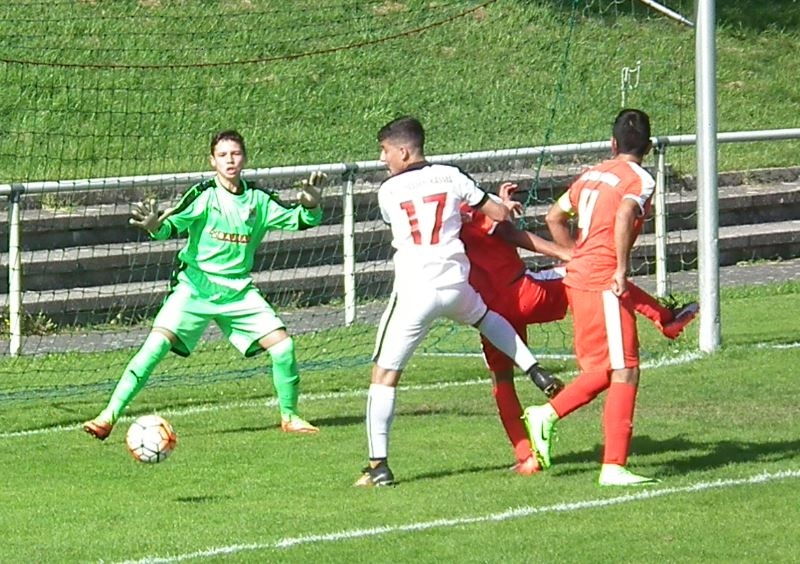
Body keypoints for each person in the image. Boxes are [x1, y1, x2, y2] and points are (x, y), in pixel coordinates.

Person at [354, 116, 563, 487]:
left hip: (416, 290)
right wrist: (502, 203)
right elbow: (498, 214)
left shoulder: (388, 190)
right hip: (455, 284)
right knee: (486, 318)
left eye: (385, 151)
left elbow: (401, 219)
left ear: (404, 151)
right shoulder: (451, 175)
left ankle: (378, 466)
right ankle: (535, 370)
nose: (383, 158)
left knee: (383, 377)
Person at [83, 129, 326, 440]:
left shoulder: (258, 199)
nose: (230, 160)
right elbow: (170, 226)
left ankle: (290, 417)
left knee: (283, 347)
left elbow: (299, 220)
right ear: (212, 161)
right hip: (195, 287)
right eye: (222, 155)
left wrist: (312, 205)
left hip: (238, 291)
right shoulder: (203, 195)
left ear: (245, 158)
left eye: (235, 154)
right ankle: (107, 416)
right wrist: (155, 227)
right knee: (156, 345)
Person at [461, 182, 698, 476]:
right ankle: (665, 318)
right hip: (523, 293)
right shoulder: (466, 200)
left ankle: (526, 457)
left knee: (502, 380)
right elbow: (506, 232)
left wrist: (501, 208)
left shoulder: (443, 215)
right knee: (595, 272)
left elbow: (485, 234)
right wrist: (564, 252)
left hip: (486, 310)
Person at [523, 109, 699, 486]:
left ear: (612, 143)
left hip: (582, 279)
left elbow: (554, 217)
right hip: (602, 280)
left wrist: (575, 256)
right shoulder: (640, 178)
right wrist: (619, 267)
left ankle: (548, 417)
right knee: (626, 369)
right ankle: (610, 464)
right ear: (648, 148)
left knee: (605, 370)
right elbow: (624, 215)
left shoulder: (592, 174)